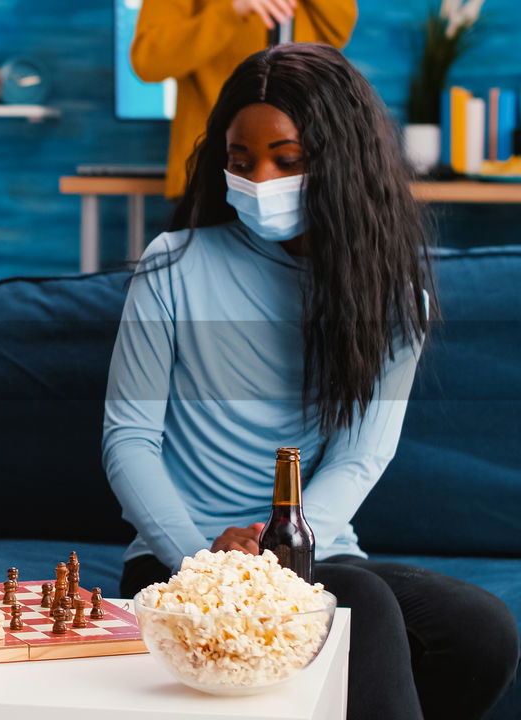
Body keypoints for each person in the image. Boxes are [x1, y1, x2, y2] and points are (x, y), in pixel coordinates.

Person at [103, 44, 518, 718]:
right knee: (364, 602)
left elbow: (362, 453)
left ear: (339, 161)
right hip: (181, 562)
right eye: (240, 161)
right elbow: (129, 441)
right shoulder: (172, 265)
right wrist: (205, 562)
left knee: (481, 630)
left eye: (286, 161)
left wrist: (277, 558)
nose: (258, 179)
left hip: (314, 549)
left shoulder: (391, 289)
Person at [131, 0, 357, 199]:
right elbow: (148, 60)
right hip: (212, 174)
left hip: (305, 172)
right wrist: (232, 10)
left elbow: (340, 29)